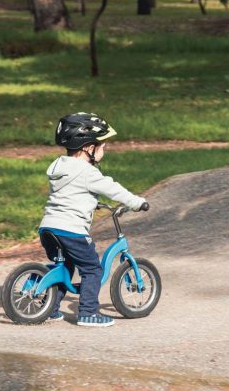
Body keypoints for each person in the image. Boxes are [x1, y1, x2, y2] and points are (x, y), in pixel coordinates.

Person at [38, 112, 148, 327]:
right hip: (71, 230)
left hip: (48, 228)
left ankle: (49, 308)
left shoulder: (59, 167)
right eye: (102, 146)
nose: (103, 150)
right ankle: (88, 312)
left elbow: (69, 194)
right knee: (92, 269)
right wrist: (137, 202)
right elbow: (114, 190)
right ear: (89, 148)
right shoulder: (88, 173)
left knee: (65, 266)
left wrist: (90, 201)